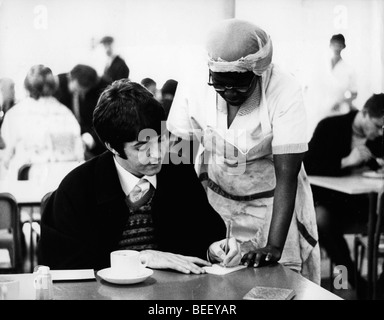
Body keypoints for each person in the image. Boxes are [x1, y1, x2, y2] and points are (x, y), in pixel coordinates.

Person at [167, 19, 320, 284]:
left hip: (274, 198)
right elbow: (178, 160)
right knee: (214, 277)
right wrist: (188, 228)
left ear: (258, 73)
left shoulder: (283, 89)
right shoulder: (193, 84)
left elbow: (287, 175)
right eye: (220, 84)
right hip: (216, 193)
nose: (229, 92)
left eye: (239, 85)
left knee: (275, 279)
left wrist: (273, 246)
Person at [37, 79, 241, 273]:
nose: (157, 154)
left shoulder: (177, 171)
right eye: (141, 146)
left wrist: (213, 248)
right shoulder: (78, 189)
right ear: (111, 146)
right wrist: (140, 258)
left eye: (161, 139)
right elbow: (66, 268)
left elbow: (201, 234)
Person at [303, 93, 384, 291]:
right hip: (333, 203)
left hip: (365, 204)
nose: (380, 132)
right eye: (377, 125)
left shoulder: (377, 138)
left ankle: (381, 287)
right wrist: (347, 161)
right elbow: (308, 165)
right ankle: (358, 284)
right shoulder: (330, 126)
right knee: (321, 219)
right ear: (364, 113)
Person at [0, 65, 84, 180]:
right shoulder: (66, 114)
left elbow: (5, 159)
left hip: (26, 186)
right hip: (63, 183)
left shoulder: (14, 115)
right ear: (53, 86)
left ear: (27, 86)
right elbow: (79, 156)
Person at [303, 34, 358, 137]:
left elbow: (354, 93)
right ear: (330, 45)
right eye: (334, 45)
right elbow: (308, 86)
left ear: (343, 47)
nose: (337, 48)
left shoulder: (349, 69)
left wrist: (341, 102)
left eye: (339, 45)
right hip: (318, 111)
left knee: (333, 138)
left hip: (337, 111)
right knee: (315, 138)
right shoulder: (320, 66)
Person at [54, 64, 108, 159]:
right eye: (75, 90)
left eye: (82, 92)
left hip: (91, 136)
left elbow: (106, 120)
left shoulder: (101, 88)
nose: (78, 94)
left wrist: (90, 138)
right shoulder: (57, 84)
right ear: (70, 78)